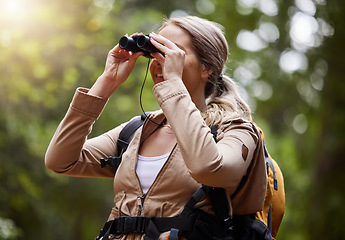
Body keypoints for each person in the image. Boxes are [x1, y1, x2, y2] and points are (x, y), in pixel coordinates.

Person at [45, 16, 267, 239]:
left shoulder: (236, 130)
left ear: (207, 68)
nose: (161, 61)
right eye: (155, 52)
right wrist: (106, 83)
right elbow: (60, 161)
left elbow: (208, 169)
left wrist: (173, 85)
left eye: (172, 53)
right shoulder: (138, 130)